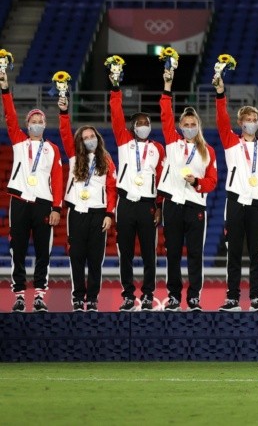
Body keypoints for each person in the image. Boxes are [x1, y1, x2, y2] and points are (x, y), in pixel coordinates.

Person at [214, 76, 258, 312]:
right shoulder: (231, 141)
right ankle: (232, 297)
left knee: (256, 253)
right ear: (240, 122)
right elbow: (221, 120)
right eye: (247, 120)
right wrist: (221, 93)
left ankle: (256, 298)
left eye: (255, 119)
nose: (251, 123)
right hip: (235, 201)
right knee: (233, 252)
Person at [1, 70, 64, 312]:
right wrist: (5, 89)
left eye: (41, 121)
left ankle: (39, 294)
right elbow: (9, 115)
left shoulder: (53, 149)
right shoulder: (18, 141)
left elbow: (58, 180)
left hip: (43, 204)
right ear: (27, 125)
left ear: (45, 125)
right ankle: (18, 295)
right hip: (19, 201)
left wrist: (57, 207)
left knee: (42, 250)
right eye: (33, 121)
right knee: (17, 249)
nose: (37, 124)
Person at [160, 70, 218, 311]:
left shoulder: (208, 151)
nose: (190, 127)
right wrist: (167, 86)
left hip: (196, 205)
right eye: (185, 124)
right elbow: (164, 114)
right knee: (172, 253)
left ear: (199, 126)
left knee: (195, 254)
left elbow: (213, 181)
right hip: (172, 203)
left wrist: (197, 183)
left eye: (193, 124)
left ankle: (194, 296)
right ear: (179, 126)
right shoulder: (173, 143)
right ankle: (174, 295)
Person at [108, 78, 165, 312]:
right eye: (139, 122)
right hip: (125, 204)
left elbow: (162, 178)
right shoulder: (123, 141)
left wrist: (160, 206)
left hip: (148, 205)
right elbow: (115, 113)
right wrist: (115, 89)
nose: (143, 125)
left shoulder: (158, 148)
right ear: (132, 127)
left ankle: (149, 294)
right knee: (126, 253)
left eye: (147, 122)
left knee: (149, 253)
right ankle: (128, 296)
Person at [58, 95, 118, 311]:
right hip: (76, 214)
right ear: (80, 141)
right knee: (76, 258)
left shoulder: (107, 160)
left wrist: (109, 214)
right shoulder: (74, 156)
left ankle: (92, 298)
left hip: (98, 214)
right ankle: (77, 297)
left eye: (92, 136)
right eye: (85, 137)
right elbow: (65, 133)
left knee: (95, 260)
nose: (89, 139)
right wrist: (64, 113)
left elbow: (112, 189)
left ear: (98, 138)